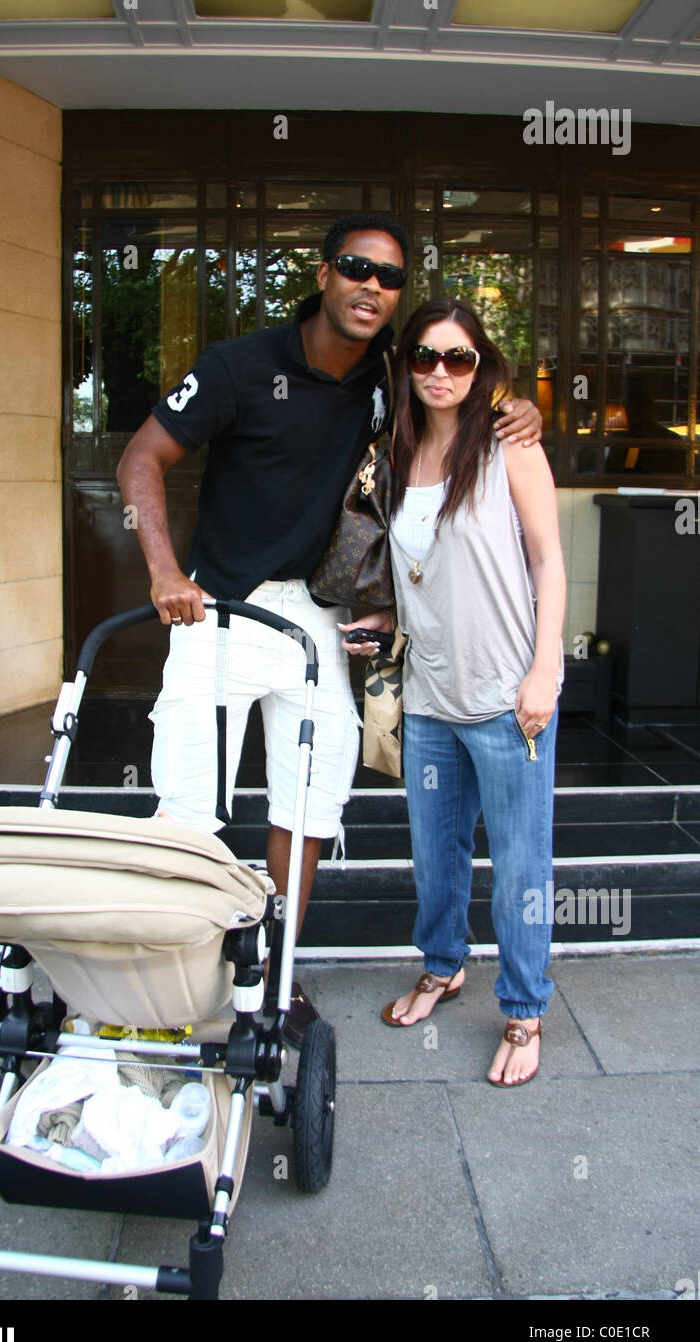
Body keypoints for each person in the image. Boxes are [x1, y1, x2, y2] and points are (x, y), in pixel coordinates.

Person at [117, 221, 542, 1046]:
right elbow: (141, 457)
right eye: (355, 268)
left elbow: (457, 378)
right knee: (188, 804)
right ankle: (181, 975)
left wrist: (512, 401)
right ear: (323, 274)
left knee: (310, 803)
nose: (370, 286)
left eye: (387, 277)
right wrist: (165, 570)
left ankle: (273, 969)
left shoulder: (390, 378)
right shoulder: (239, 366)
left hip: (316, 617)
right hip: (220, 609)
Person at [342, 298, 565, 1086]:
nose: (440, 372)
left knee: (519, 865)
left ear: (481, 366)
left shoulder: (509, 446)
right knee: (435, 858)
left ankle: (524, 1007)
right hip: (430, 696)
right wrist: (378, 616)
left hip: (510, 699)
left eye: (458, 358)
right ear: (404, 365)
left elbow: (547, 563)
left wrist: (545, 672)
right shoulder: (397, 456)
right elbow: (418, 568)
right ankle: (442, 967)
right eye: (425, 357)